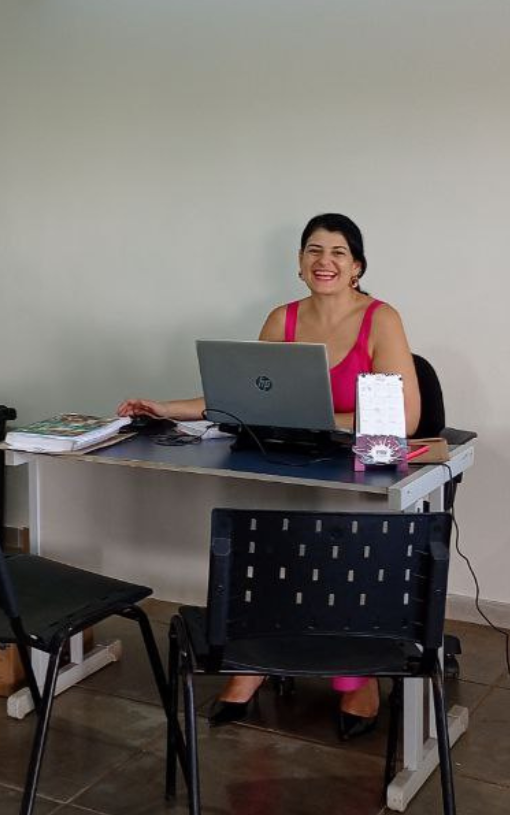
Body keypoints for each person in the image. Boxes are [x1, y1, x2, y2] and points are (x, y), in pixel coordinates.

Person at [118, 213, 421, 740]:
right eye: (313, 251)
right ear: (300, 263)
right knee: (260, 536)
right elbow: (242, 400)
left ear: (357, 266)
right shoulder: (282, 319)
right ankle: (255, 662)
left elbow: (406, 417)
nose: (324, 261)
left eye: (338, 252)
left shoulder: (381, 319)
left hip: (358, 472)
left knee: (343, 546)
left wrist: (318, 418)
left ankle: (357, 677)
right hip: (292, 461)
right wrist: (165, 407)